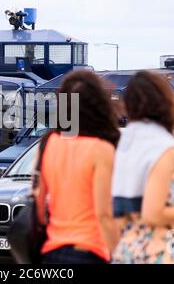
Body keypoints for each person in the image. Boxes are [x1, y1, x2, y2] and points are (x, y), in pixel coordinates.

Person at [112, 71, 174, 264]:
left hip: (125, 251)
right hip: (158, 251)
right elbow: (154, 214)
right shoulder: (161, 146)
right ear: (165, 101)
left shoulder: (122, 144)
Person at [34, 70, 121, 264]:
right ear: (99, 106)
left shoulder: (48, 143)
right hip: (89, 251)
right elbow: (104, 214)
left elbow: (39, 206)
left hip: (51, 252)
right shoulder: (101, 149)